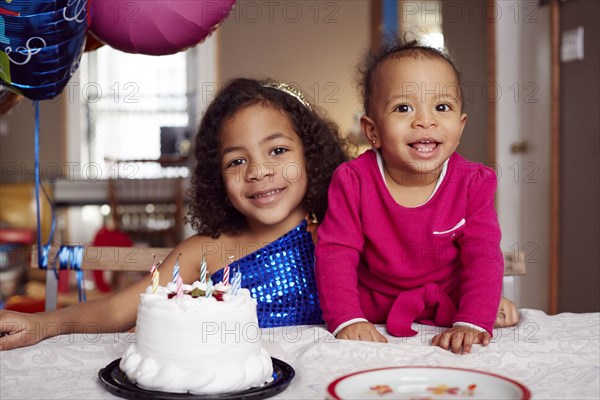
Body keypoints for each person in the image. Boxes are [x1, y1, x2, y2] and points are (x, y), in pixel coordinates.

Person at [0, 78, 349, 350]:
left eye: (277, 150)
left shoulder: (340, 234)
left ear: (310, 155)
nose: (258, 171)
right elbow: (116, 310)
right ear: (217, 178)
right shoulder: (203, 251)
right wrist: (44, 324)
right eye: (236, 161)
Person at [315, 39, 514, 354]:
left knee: (490, 309)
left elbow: (482, 254)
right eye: (403, 107)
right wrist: (347, 318)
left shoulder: (472, 182)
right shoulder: (353, 180)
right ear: (372, 131)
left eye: (442, 107)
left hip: (449, 303)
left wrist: (474, 318)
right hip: (374, 306)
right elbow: (336, 253)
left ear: (460, 126)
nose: (425, 120)